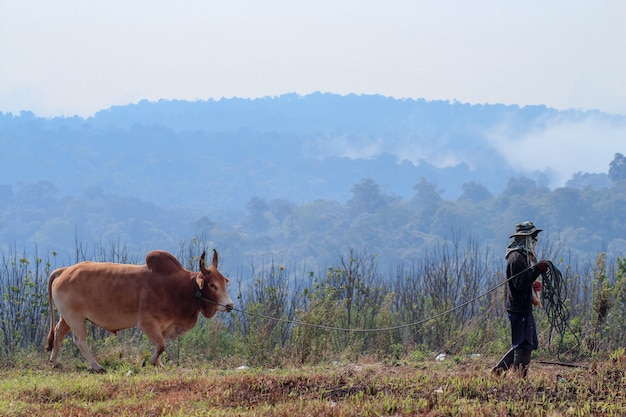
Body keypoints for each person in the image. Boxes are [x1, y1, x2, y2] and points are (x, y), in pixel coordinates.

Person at [491, 221, 548, 377]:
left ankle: (498, 371)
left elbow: (523, 280)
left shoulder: (523, 256)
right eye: (533, 236)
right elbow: (519, 283)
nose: (535, 240)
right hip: (518, 307)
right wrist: (537, 270)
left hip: (522, 306)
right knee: (523, 344)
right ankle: (519, 378)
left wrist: (533, 281)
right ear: (525, 238)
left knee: (525, 342)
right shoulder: (516, 258)